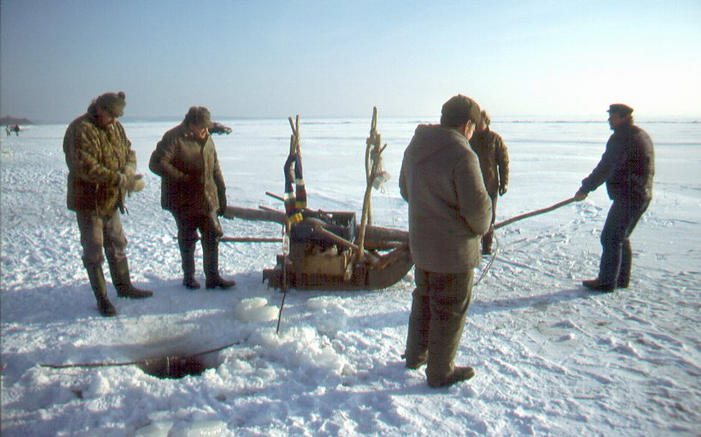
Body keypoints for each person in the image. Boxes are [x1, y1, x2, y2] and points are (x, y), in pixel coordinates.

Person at [399, 95, 492, 388]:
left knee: (424, 298)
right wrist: (479, 226)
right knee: (450, 309)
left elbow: (405, 190)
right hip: (453, 252)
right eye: (473, 127)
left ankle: (416, 355)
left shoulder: (416, 146)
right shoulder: (463, 154)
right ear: (467, 125)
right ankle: (440, 372)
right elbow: (479, 214)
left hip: (422, 245)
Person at [63, 91, 153, 317]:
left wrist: (129, 169)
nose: (114, 120)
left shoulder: (116, 127)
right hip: (89, 202)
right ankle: (102, 298)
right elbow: (85, 167)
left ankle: (124, 288)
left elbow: (128, 150)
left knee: (117, 244)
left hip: (111, 201)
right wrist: (120, 179)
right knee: (94, 251)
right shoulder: (80, 129)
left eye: (117, 117)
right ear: (100, 109)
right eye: (111, 115)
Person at [149, 106, 236, 290]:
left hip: (206, 196)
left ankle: (213, 277)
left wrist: (221, 192)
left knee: (212, 234)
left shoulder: (207, 138)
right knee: (188, 237)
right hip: (183, 198)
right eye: (202, 127)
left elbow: (215, 167)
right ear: (191, 124)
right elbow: (156, 163)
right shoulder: (174, 137)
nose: (205, 130)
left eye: (207, 127)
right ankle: (189, 277)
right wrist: (183, 178)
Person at [574, 103, 654, 292]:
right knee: (620, 236)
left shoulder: (622, 138)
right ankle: (620, 279)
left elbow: (606, 166)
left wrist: (586, 188)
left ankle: (607, 282)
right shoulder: (640, 134)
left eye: (613, 116)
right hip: (641, 194)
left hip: (630, 195)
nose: (610, 120)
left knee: (611, 237)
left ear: (624, 117)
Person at [469, 110, 510, 254]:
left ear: (486, 121)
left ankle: (487, 246)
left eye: (479, 120)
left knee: (489, 217)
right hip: (471, 186)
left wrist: (504, 182)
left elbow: (503, 162)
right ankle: (472, 246)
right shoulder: (469, 138)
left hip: (490, 186)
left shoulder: (495, 139)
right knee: (471, 216)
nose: (477, 123)